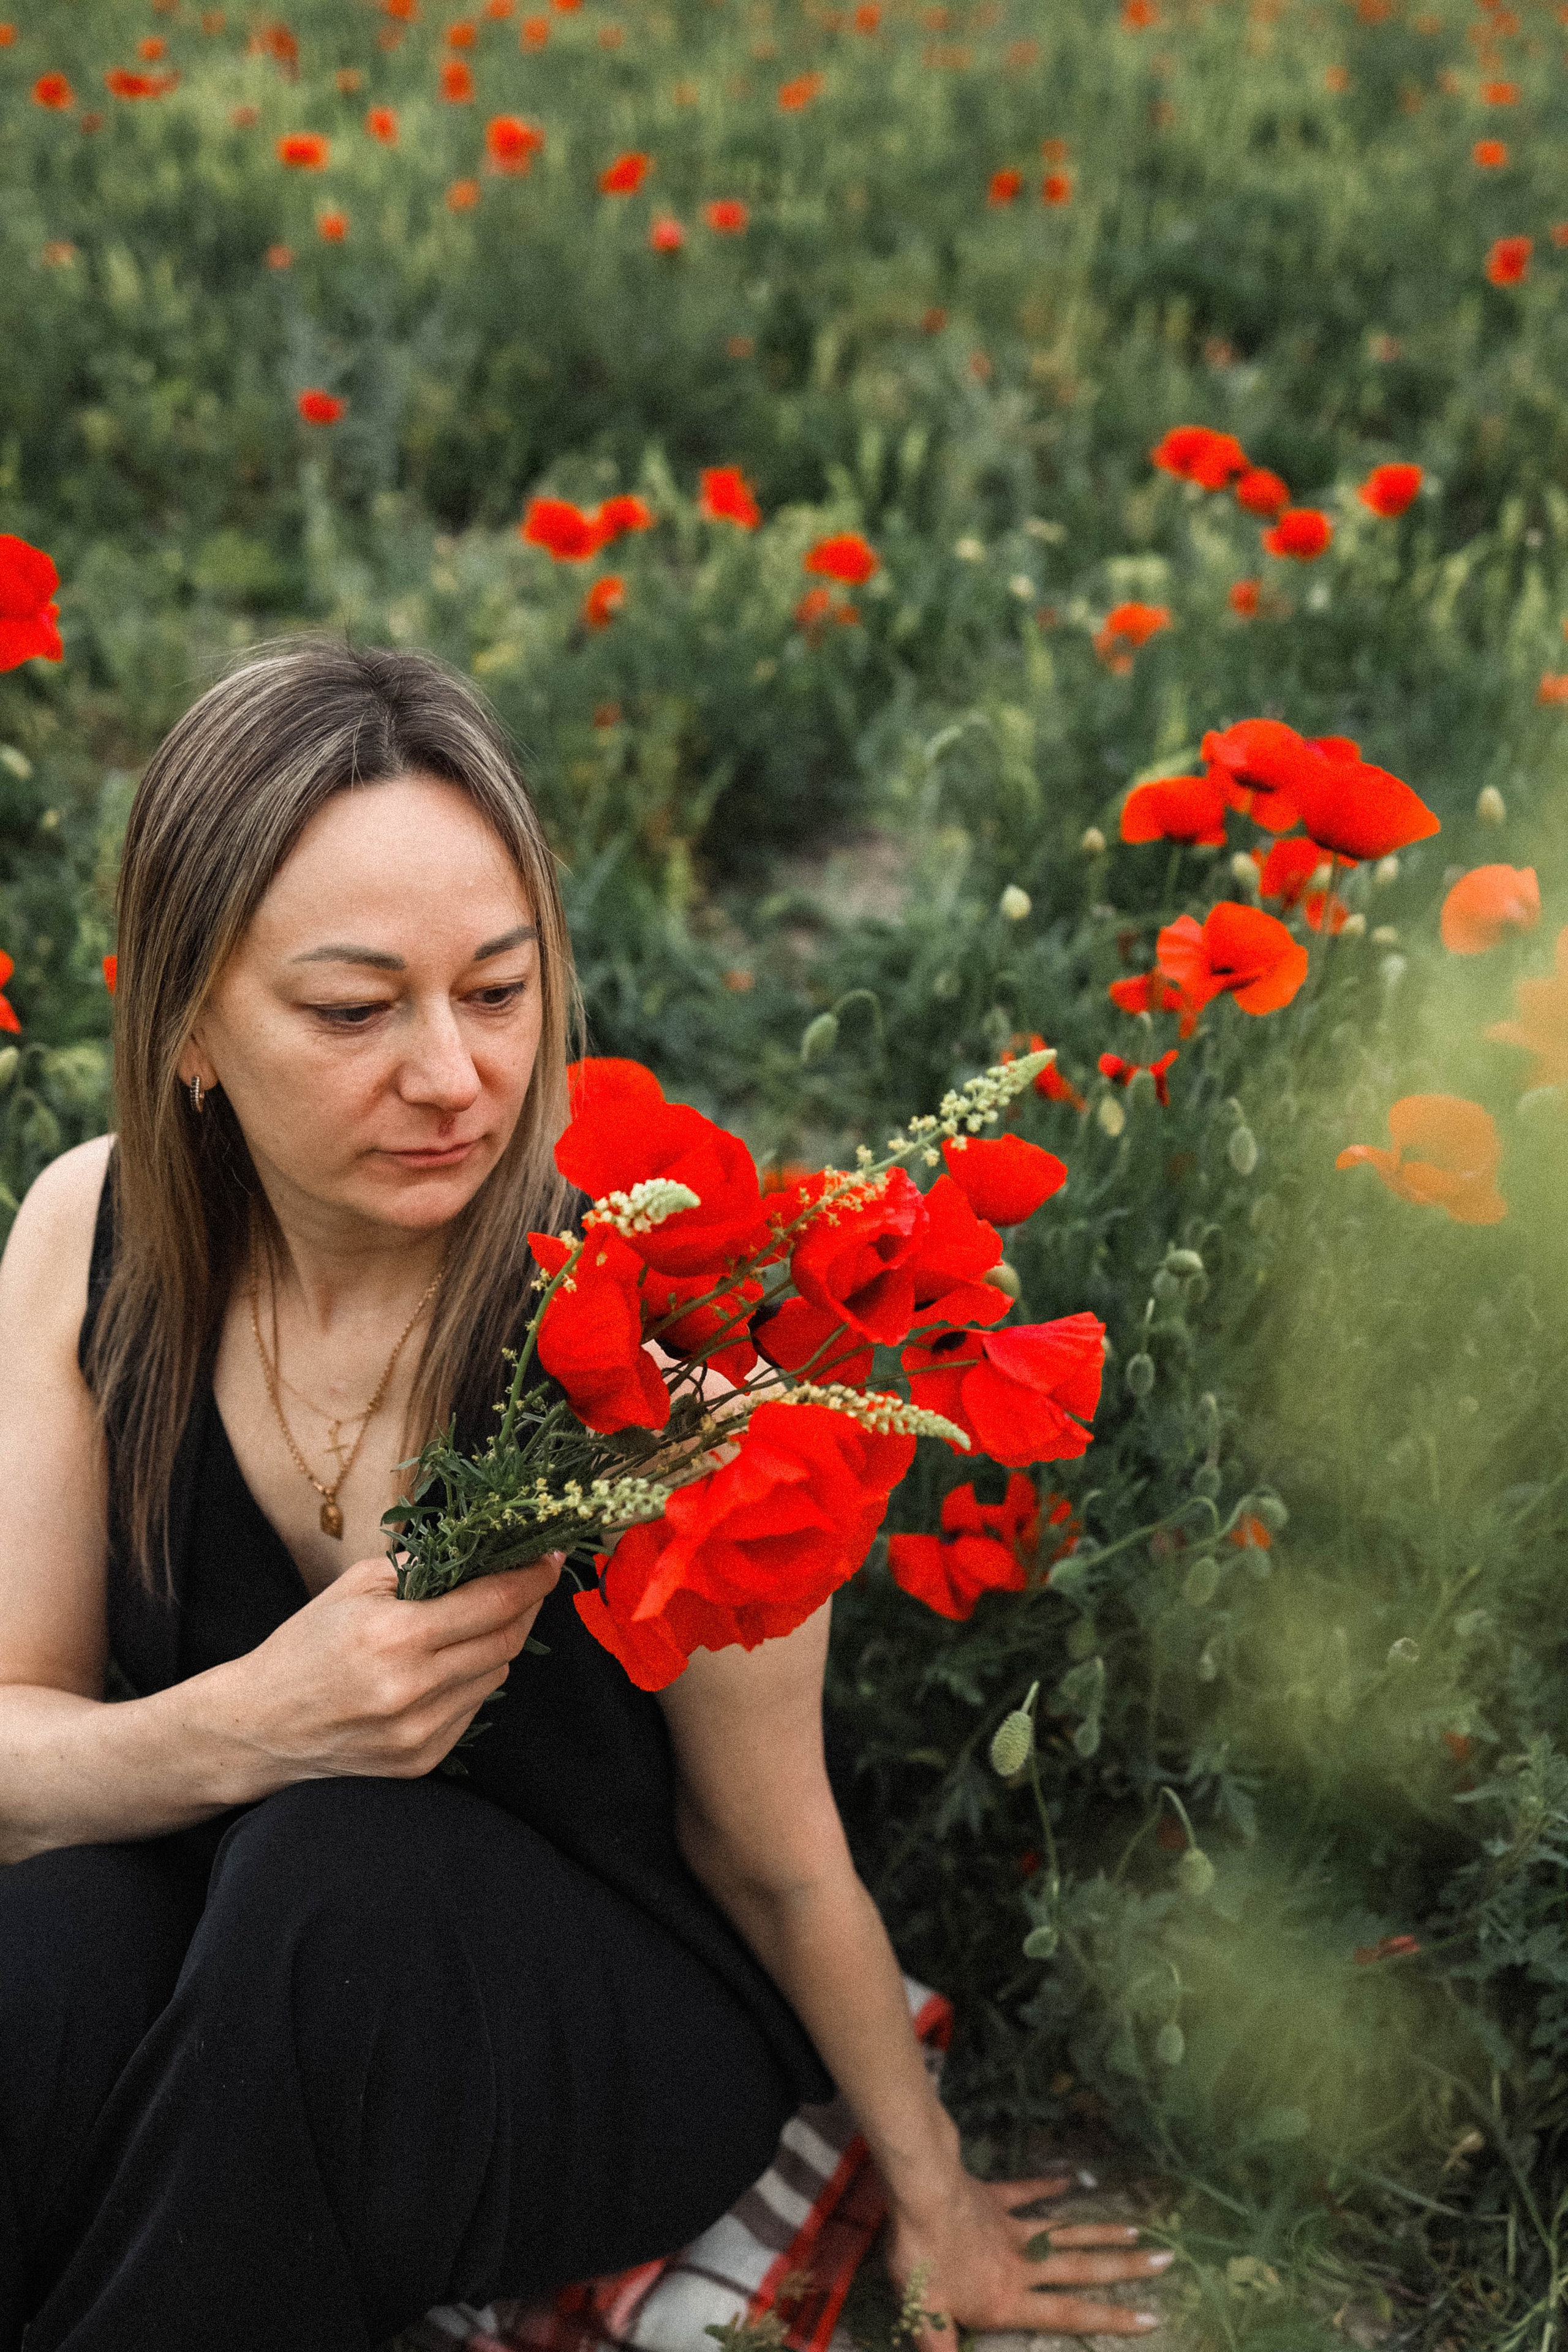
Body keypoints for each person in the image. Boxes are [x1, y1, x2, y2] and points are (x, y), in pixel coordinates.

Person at [0, 641, 1172, 2351]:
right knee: (46, 1953)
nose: (455, 1076)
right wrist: (257, 1720)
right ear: (187, 1026)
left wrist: (936, 2193)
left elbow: (770, 1860)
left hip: (601, 2018)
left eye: (498, 988)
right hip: (238, 1906)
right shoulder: (89, 1238)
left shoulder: (654, 1359)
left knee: (335, 1883)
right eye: (352, 1010)